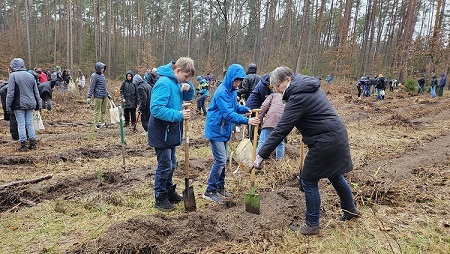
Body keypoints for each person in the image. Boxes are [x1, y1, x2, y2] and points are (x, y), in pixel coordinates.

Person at [253, 66, 359, 235]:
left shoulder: (298, 96)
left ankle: (311, 225)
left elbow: (281, 129)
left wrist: (261, 155)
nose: (279, 91)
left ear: (287, 80)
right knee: (335, 175)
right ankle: (350, 210)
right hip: (335, 134)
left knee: (308, 180)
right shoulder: (308, 87)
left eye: (278, 87)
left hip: (325, 139)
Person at [203, 64, 260, 204]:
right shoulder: (222, 92)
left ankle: (220, 187)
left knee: (224, 158)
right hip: (216, 129)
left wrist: (245, 109)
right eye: (236, 80)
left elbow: (233, 107)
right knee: (221, 159)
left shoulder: (233, 91)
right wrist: (247, 121)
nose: (238, 83)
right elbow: (228, 113)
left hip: (224, 130)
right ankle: (210, 191)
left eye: (240, 81)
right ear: (230, 78)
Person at [148, 57, 196, 212]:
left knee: (172, 163)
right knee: (165, 165)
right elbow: (156, 109)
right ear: (177, 70)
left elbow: (189, 96)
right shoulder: (164, 83)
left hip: (171, 131)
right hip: (162, 132)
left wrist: (189, 86)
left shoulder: (176, 83)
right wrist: (179, 114)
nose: (186, 80)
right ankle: (160, 197)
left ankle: (169, 190)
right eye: (186, 76)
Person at [5, 58, 42, 151]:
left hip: (19, 104)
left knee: (21, 124)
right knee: (29, 123)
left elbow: (10, 93)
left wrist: (8, 107)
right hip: (31, 103)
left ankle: (23, 144)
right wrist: (39, 105)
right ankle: (33, 143)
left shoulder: (13, 76)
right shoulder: (31, 76)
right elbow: (36, 92)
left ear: (13, 66)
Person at [256, 87, 285, 160]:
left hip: (271, 119)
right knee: (280, 142)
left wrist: (259, 119)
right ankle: (280, 162)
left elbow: (264, 106)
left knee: (263, 140)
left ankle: (256, 161)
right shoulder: (288, 96)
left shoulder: (272, 95)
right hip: (283, 120)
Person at [86, 62, 112, 129]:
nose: (103, 69)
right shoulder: (94, 76)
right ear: (98, 68)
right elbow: (92, 86)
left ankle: (102, 123)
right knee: (97, 111)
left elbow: (104, 87)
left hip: (104, 96)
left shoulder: (102, 76)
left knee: (103, 111)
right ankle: (96, 124)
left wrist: (108, 94)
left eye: (103, 68)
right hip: (98, 96)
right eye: (101, 68)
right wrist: (89, 96)